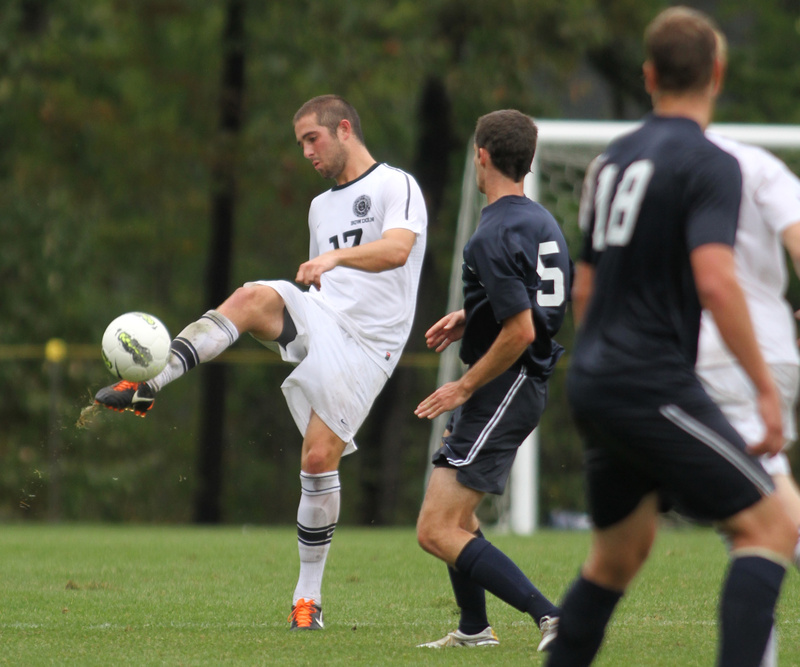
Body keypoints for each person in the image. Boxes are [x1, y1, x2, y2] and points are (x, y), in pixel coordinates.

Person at [94, 94, 428, 630]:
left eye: (311, 139)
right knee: (250, 296)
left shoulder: (396, 184)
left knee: (318, 460)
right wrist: (326, 268)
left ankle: (308, 600)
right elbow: (324, 278)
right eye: (300, 144)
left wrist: (334, 257)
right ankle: (151, 382)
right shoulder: (321, 206)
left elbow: (397, 250)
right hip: (323, 317)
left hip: (371, 344)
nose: (306, 153)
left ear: (344, 129)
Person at [549, 7, 796, 666]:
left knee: (616, 557)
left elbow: (585, 286)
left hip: (597, 379)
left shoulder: (611, 161)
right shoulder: (711, 164)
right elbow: (716, 279)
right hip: (648, 382)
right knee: (773, 524)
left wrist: (599, 361)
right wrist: (767, 392)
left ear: (649, 74)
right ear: (717, 73)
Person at [414, 109, 571, 652]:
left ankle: (552, 618)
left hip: (506, 384)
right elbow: (529, 300)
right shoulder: (539, 220)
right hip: (513, 382)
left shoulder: (492, 232)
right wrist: (472, 314)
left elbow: (522, 330)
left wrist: (462, 386)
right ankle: (474, 629)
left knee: (435, 529)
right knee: (458, 516)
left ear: (480, 155)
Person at [696, 130, 800, 667]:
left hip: (718, 356)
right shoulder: (763, 167)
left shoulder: (655, 165)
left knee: (764, 516)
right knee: (757, 516)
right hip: (775, 353)